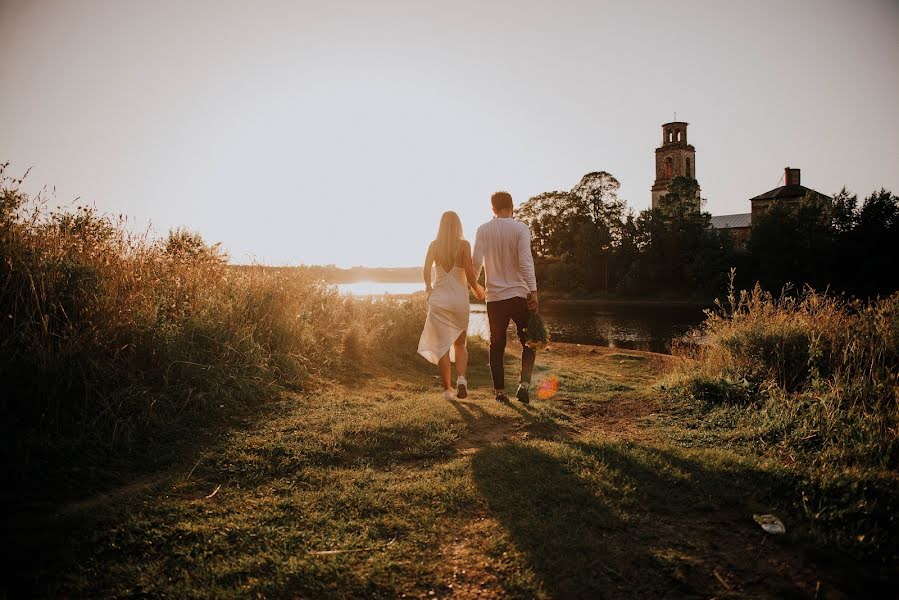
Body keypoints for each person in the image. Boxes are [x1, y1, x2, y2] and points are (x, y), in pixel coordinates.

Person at [472, 191, 538, 404]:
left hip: (494, 299)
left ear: (493, 209)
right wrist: (534, 291)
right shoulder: (521, 228)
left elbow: (476, 262)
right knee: (529, 341)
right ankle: (523, 385)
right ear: (512, 206)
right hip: (518, 296)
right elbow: (525, 262)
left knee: (496, 345)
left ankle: (500, 392)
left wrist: (475, 285)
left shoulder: (483, 230)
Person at [418, 211, 485, 400]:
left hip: (439, 299)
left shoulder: (434, 245)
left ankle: (448, 391)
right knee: (461, 344)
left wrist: (429, 289)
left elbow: (425, 270)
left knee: (443, 347)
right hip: (458, 300)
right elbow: (470, 275)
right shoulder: (464, 245)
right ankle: (462, 380)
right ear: (458, 226)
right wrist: (478, 289)